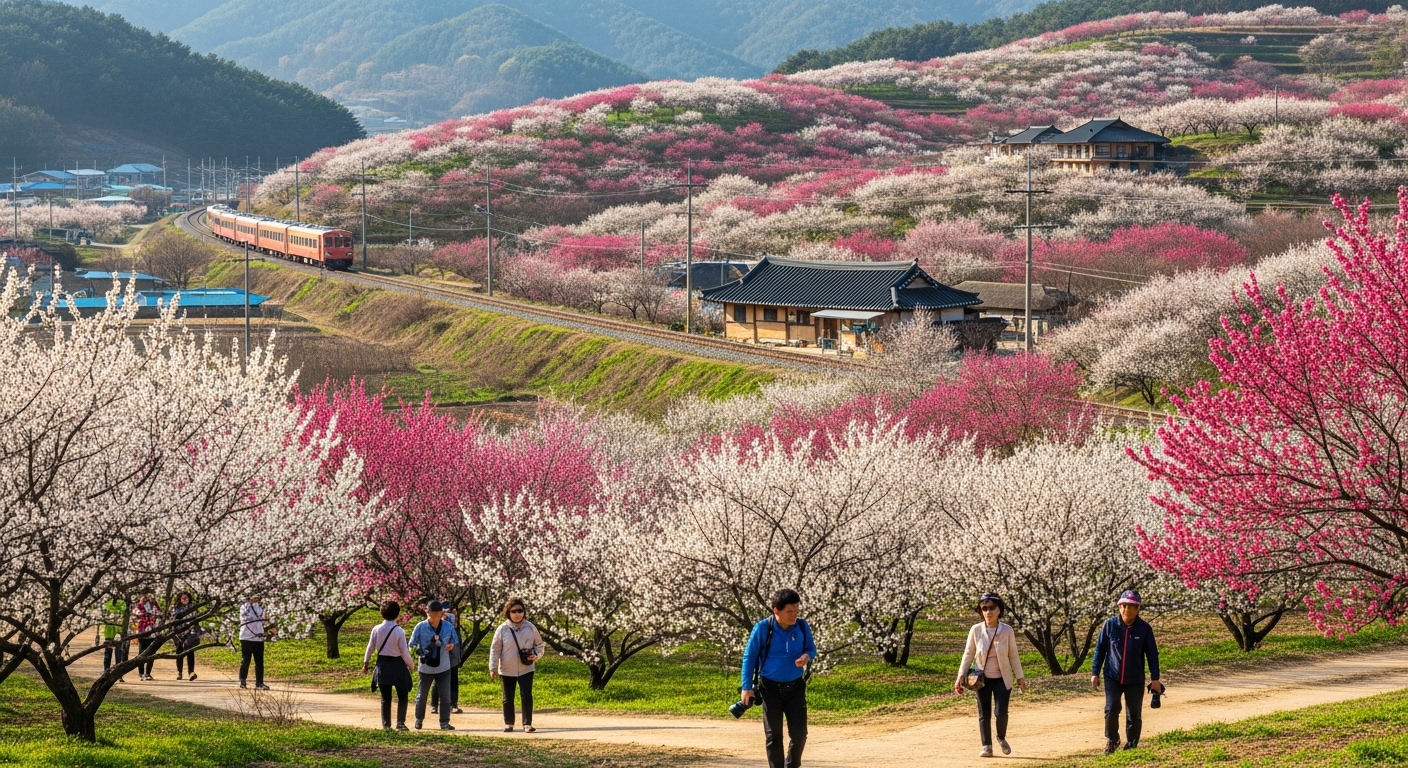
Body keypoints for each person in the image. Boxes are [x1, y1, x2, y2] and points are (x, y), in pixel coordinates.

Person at [740, 589, 817, 768]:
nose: (794, 615)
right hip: (770, 689)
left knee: (799, 735)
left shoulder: (802, 626)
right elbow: (749, 657)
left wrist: (807, 656)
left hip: (795, 688)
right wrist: (746, 687)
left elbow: (811, 648)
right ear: (776, 610)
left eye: (796, 610)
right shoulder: (763, 628)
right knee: (773, 736)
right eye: (789, 611)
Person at [954, 593, 1028, 758]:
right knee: (984, 713)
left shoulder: (1007, 630)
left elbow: (1013, 656)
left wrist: (1020, 678)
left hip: (1002, 679)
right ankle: (987, 746)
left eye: (992, 608)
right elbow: (968, 653)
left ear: (999, 609)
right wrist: (960, 676)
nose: (988, 612)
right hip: (981, 679)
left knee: (1001, 713)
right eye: (984, 608)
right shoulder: (976, 630)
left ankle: (1001, 737)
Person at [1091, 589, 1163, 754]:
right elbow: (1100, 650)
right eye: (1123, 605)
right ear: (1119, 607)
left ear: (1137, 609)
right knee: (1111, 708)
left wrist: (1155, 679)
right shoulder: (1110, 625)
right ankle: (1112, 740)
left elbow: (1152, 654)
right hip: (1112, 676)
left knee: (1134, 714)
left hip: (1135, 678)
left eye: (1130, 606)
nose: (1126, 609)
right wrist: (1095, 672)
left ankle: (1131, 743)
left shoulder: (1144, 629)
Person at [489, 597, 545, 733]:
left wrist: (536, 655)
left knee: (526, 695)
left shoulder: (530, 627)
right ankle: (509, 723)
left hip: (526, 668)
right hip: (507, 669)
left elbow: (540, 645)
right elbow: (495, 649)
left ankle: (527, 724)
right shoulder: (502, 629)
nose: (517, 614)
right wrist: (493, 667)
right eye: (514, 611)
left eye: (520, 611)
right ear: (508, 613)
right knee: (508, 698)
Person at [362, 600, 414, 730]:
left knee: (385, 698)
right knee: (402, 696)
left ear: (382, 613)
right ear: (397, 614)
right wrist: (411, 665)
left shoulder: (376, 629)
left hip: (382, 665)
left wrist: (366, 663)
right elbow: (404, 651)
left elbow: (370, 647)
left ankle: (386, 724)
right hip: (398, 665)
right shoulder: (399, 631)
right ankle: (400, 723)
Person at [409, 600, 457, 731]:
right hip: (425, 667)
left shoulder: (448, 626)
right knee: (422, 695)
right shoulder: (420, 627)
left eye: (437, 614)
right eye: (431, 614)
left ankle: (444, 722)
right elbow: (412, 644)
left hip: (444, 666)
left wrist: (451, 645)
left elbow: (454, 640)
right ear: (427, 612)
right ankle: (419, 719)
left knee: (445, 696)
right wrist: (419, 653)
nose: (434, 617)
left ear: (441, 613)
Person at [430, 600, 463, 716]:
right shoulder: (437, 626)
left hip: (453, 658)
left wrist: (459, 656)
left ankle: (453, 704)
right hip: (440, 657)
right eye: (448, 613)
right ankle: (434, 705)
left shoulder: (456, 629)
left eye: (454, 614)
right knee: (438, 679)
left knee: (453, 680)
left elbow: (459, 643)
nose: (452, 616)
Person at [239, 595, 272, 690]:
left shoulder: (261, 607)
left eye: (257, 597)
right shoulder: (244, 606)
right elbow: (247, 618)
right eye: (254, 597)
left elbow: (265, 620)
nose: (256, 599)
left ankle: (259, 683)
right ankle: (242, 680)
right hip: (246, 637)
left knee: (259, 661)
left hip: (258, 638)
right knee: (246, 660)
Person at [171, 591, 200, 681]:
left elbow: (196, 621)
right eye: (183, 598)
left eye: (186, 598)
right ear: (180, 599)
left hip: (190, 632)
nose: (185, 600)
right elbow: (173, 620)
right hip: (178, 633)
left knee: (190, 651)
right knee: (179, 651)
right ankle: (179, 672)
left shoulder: (192, 608)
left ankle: (191, 672)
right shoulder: (175, 608)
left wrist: (193, 631)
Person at [133, 592, 161, 681]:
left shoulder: (155, 606)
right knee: (142, 653)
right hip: (142, 633)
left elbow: (159, 614)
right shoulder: (139, 607)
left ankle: (148, 673)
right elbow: (135, 615)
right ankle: (141, 673)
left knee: (152, 653)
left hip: (153, 633)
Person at [102, 597, 129, 682]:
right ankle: (113, 673)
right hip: (114, 632)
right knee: (116, 654)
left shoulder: (110, 604)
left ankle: (108, 672)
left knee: (113, 654)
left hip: (114, 632)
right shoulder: (117, 605)